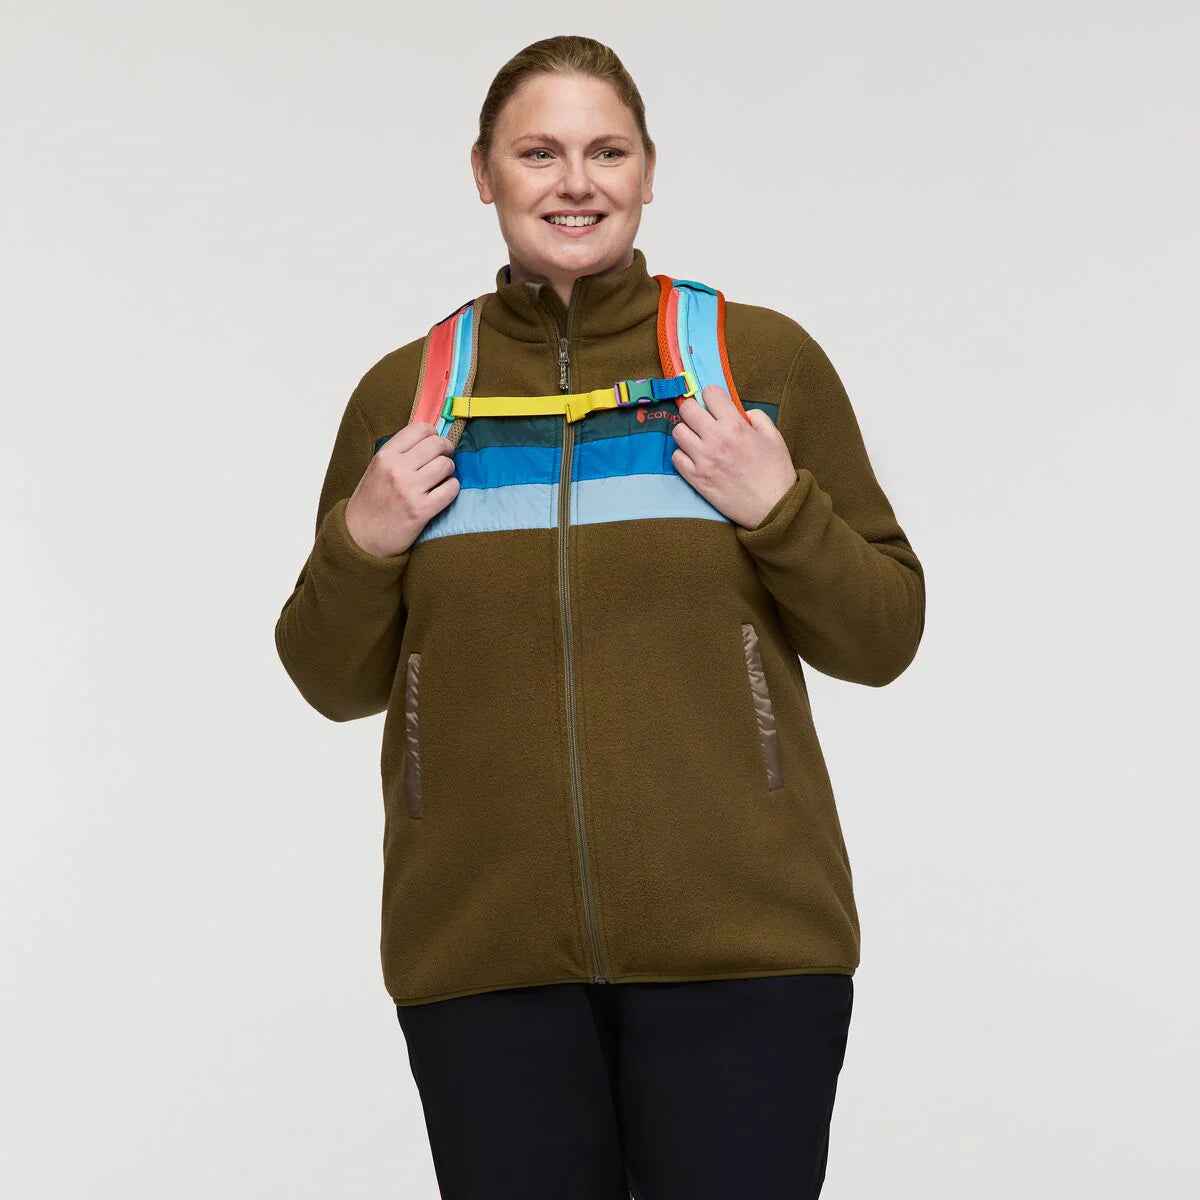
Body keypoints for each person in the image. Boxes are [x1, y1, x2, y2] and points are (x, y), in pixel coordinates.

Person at [274, 33, 925, 1200]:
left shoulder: (756, 365)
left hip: (748, 953)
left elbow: (882, 638)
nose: (575, 182)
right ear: (484, 173)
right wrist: (364, 537)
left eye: (606, 151)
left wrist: (777, 507)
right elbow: (330, 680)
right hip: (481, 960)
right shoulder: (406, 396)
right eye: (539, 152)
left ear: (648, 170)